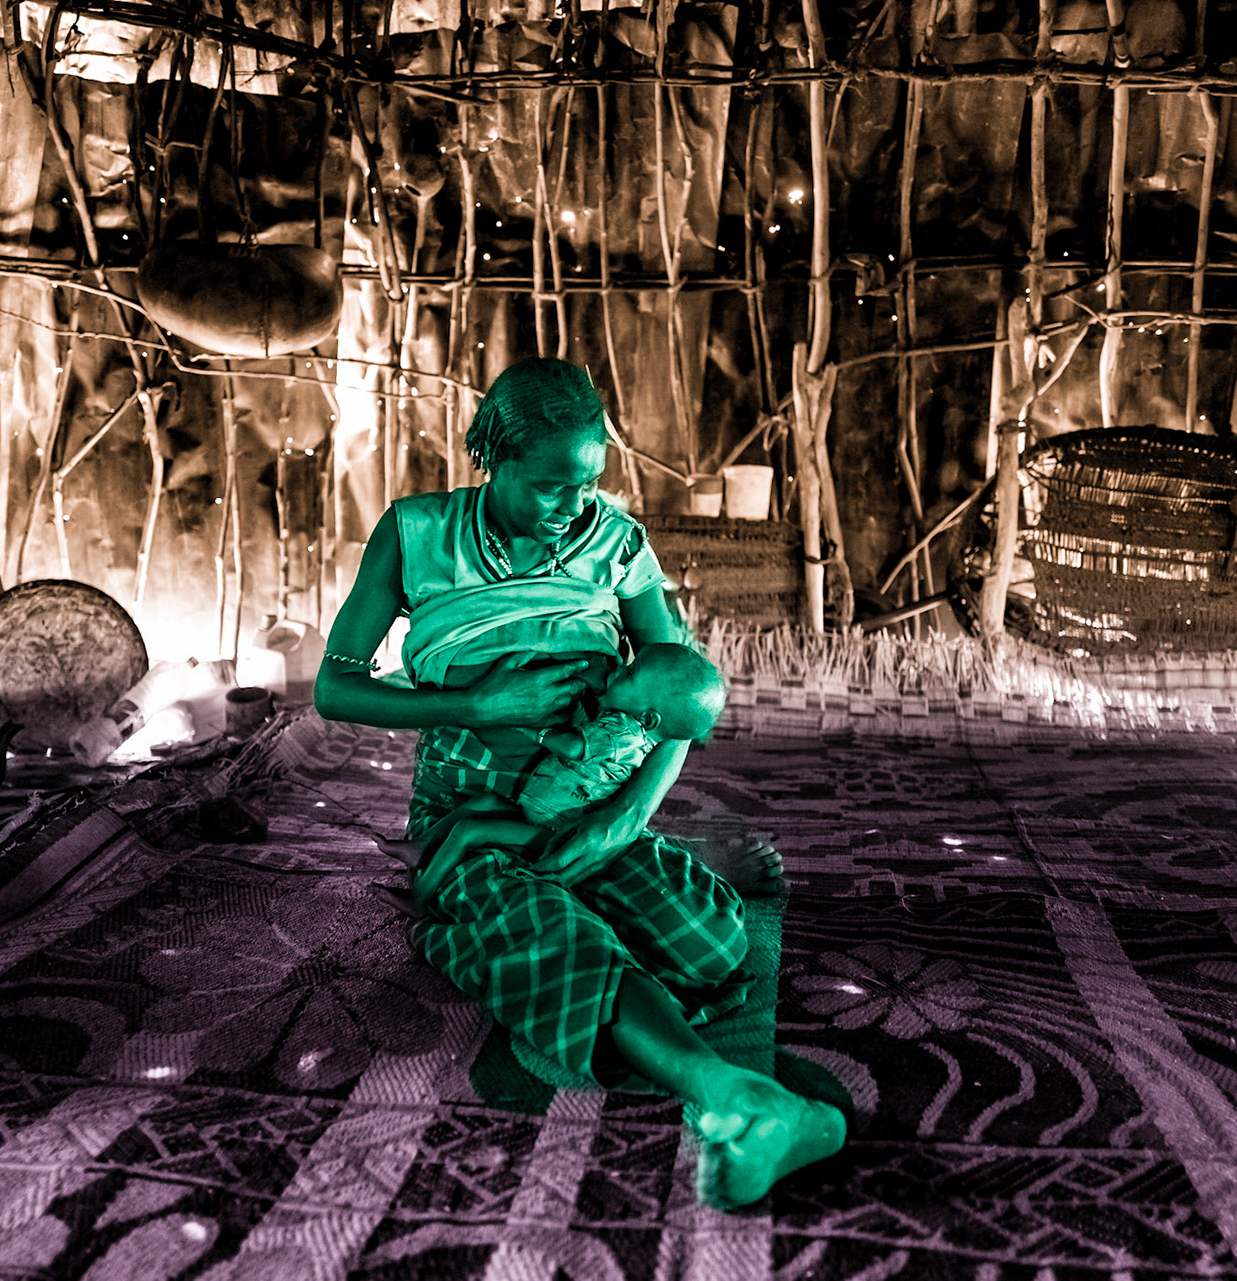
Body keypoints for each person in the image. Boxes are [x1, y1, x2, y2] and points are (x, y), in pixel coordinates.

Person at [313, 357, 843, 1211]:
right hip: (472, 804)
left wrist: (627, 815)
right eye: (552, 485)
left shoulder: (616, 541)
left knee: (712, 944)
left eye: (589, 481)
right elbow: (334, 686)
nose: (575, 505)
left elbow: (680, 691)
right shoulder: (416, 533)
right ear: (495, 457)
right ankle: (737, 1096)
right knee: (563, 939)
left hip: (594, 799)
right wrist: (476, 702)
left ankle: (552, 902)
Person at [381, 641, 730, 902]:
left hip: (556, 829)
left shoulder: (620, 737)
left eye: (629, 674)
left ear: (649, 718)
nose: (617, 670)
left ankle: (421, 897)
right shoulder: (627, 727)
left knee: (469, 830)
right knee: (483, 803)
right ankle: (423, 846)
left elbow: (574, 747)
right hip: (541, 810)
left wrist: (529, 726)